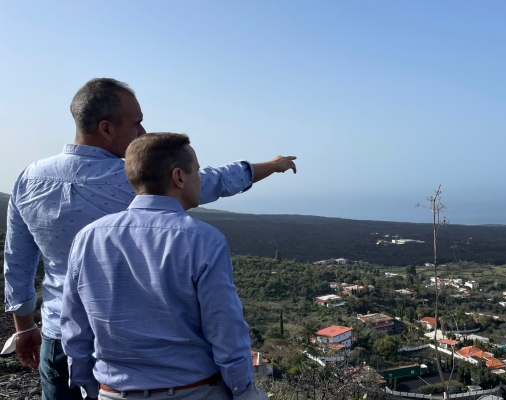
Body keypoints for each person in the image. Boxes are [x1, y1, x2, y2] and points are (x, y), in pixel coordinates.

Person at [3, 78, 295, 399]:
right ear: (106, 128)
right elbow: (215, 179)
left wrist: (24, 327)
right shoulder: (134, 178)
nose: (141, 132)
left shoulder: (29, 178)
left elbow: (18, 260)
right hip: (139, 354)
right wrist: (273, 165)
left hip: (61, 339)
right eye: (137, 122)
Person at [61, 133, 268, 399]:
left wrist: (85, 383)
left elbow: (75, 325)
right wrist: (243, 389)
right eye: (197, 171)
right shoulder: (204, 240)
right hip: (193, 391)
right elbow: (226, 328)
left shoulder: (88, 238)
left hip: (112, 391)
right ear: (179, 177)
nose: (201, 179)